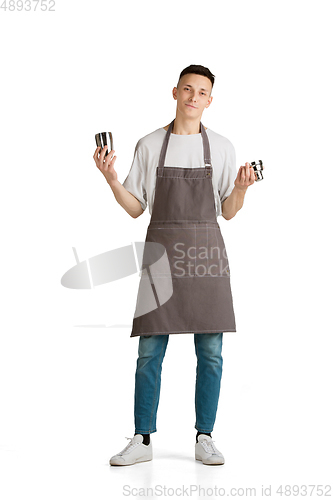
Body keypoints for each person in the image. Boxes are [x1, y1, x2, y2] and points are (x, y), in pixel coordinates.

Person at [93, 64, 262, 466]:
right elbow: (136, 208)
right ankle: (142, 439)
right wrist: (112, 180)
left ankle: (205, 436)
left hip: (206, 256)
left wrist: (240, 189)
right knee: (150, 349)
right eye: (187, 89)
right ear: (174, 92)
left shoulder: (221, 147)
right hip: (161, 256)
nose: (193, 97)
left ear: (209, 100)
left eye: (201, 92)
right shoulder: (150, 144)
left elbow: (229, 211)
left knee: (212, 352)